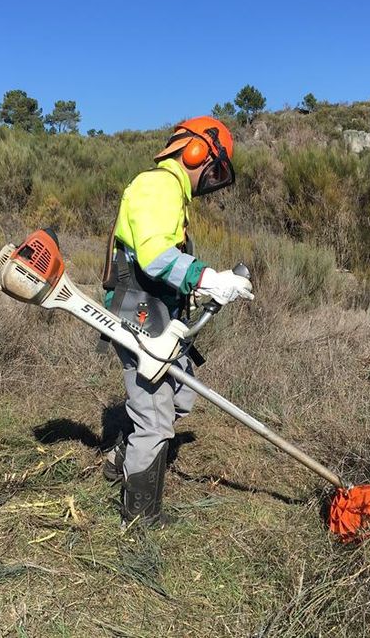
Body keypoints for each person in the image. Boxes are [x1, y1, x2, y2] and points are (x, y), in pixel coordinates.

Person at [101, 116, 254, 527]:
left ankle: (122, 457)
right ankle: (140, 515)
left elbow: (163, 263)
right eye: (214, 169)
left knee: (182, 394)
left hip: (157, 310)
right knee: (155, 417)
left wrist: (200, 289)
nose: (212, 180)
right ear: (197, 151)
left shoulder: (172, 193)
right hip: (137, 309)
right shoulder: (159, 185)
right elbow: (154, 257)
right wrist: (208, 278)